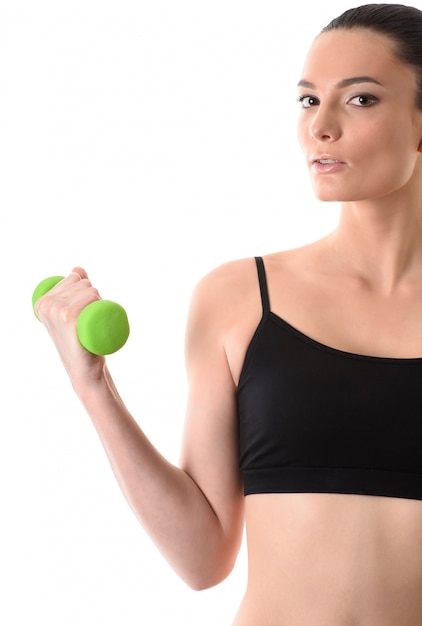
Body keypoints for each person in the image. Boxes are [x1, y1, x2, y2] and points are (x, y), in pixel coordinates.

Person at [35, 3, 422, 624]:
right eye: (306, 100)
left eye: (360, 100)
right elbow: (201, 558)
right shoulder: (238, 297)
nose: (319, 126)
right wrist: (94, 387)